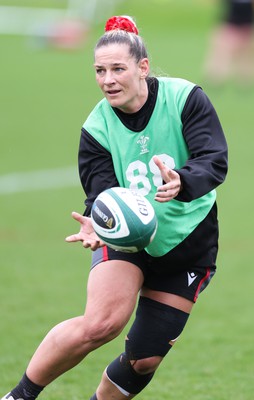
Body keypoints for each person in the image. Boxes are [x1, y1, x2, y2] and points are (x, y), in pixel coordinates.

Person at [2, 15, 228, 400]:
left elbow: (213, 158)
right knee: (101, 324)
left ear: (142, 67)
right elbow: (101, 193)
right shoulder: (96, 128)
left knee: (144, 360)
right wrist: (97, 223)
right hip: (127, 238)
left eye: (117, 69)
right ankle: (19, 396)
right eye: (100, 70)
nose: (108, 79)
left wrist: (182, 181)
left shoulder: (185, 98)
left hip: (187, 243)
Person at [203, 0, 254, 85]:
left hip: (246, 27)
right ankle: (215, 78)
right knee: (222, 53)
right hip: (230, 25)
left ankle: (244, 81)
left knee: (244, 56)